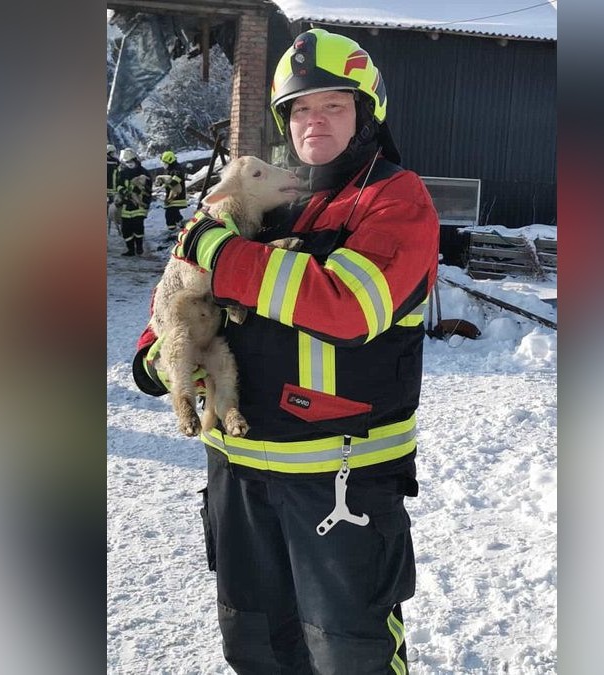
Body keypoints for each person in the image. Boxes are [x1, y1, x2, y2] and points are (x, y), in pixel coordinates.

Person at [132, 29, 439, 673]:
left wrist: (220, 251)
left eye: (332, 104)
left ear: (366, 112)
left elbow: (347, 307)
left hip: (339, 485)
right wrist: (159, 351)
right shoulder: (268, 200)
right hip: (237, 476)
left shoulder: (393, 198)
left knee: (350, 656)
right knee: (258, 651)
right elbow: (186, 286)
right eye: (300, 107)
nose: (313, 119)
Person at [115, 148, 150, 256]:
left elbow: (148, 188)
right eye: (127, 162)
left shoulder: (143, 172)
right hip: (126, 205)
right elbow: (119, 185)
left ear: (135, 160)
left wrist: (136, 192)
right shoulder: (123, 173)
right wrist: (124, 192)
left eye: (131, 161)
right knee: (126, 229)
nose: (129, 164)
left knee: (138, 227)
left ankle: (139, 248)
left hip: (139, 205)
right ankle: (130, 250)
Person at [154, 150, 190, 234]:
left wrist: (166, 183)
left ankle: (172, 230)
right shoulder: (169, 169)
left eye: (165, 162)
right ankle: (183, 225)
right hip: (171, 197)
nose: (163, 164)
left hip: (177, 196)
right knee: (174, 213)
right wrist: (161, 182)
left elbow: (175, 180)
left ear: (169, 161)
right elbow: (167, 180)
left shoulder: (177, 169)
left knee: (169, 214)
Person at [106, 143, 120, 231]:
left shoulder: (116, 161)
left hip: (112, 188)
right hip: (112, 188)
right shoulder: (116, 161)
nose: (113, 154)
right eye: (112, 152)